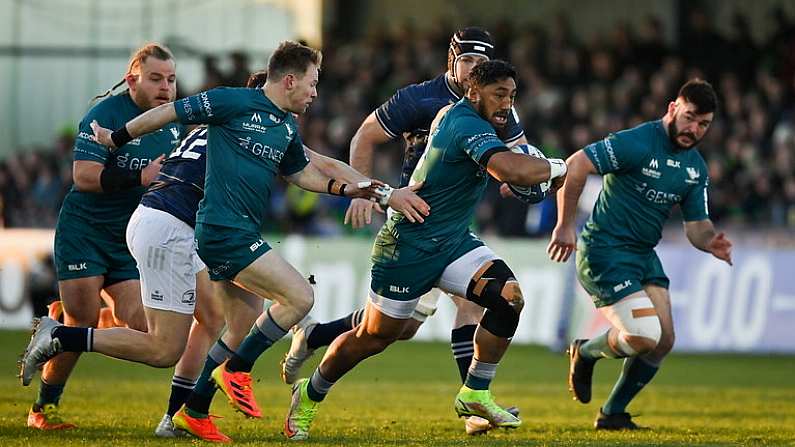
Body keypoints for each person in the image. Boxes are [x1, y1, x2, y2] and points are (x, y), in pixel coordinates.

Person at [20, 69, 416, 439]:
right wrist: (383, 192)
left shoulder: (230, 122)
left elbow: (317, 165)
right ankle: (64, 335)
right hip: (172, 225)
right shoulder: (251, 124)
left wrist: (373, 190)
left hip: (185, 226)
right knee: (164, 348)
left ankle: (185, 411)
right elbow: (319, 164)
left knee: (228, 315)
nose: (293, 122)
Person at [283, 60, 568, 440]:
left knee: (508, 296)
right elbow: (511, 170)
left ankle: (475, 393)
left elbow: (516, 167)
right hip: (408, 244)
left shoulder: (483, 120)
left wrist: (533, 170)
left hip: (452, 241)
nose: (507, 104)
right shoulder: (465, 123)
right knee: (375, 336)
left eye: (512, 96)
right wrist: (556, 167)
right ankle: (310, 391)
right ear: (473, 92)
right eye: (499, 94)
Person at [547, 79, 733, 430]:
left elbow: (697, 226)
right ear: (672, 108)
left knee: (663, 341)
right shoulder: (637, 142)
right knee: (645, 335)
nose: (694, 129)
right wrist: (565, 225)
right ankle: (585, 352)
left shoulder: (695, 168)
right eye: (689, 117)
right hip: (603, 251)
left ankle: (612, 414)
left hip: (643, 255)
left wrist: (710, 241)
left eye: (703, 124)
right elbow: (576, 164)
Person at [22, 43, 184, 431]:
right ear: (132, 79)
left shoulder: (173, 121)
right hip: (85, 232)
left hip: (128, 239)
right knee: (83, 318)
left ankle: (67, 322)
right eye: (156, 79)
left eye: (172, 79)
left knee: (143, 325)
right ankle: (43, 409)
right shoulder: (103, 116)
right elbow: (83, 177)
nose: (166, 88)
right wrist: (138, 177)